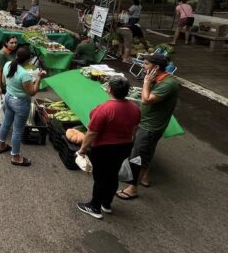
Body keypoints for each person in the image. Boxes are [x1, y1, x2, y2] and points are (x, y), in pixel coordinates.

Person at [75, 76, 141, 219]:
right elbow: (135, 129)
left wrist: (82, 149)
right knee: (113, 175)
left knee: (100, 178)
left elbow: (92, 132)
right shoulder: (135, 109)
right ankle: (106, 203)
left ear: (109, 89)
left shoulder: (104, 108)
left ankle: (94, 206)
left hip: (104, 149)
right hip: (124, 146)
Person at [117, 54, 180, 200]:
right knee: (146, 152)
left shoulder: (168, 84)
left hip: (150, 126)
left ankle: (132, 189)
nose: (143, 66)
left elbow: (146, 99)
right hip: (147, 122)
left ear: (156, 67)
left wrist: (146, 82)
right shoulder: (158, 78)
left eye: (146, 64)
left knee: (138, 156)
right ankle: (144, 177)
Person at [0, 46, 46, 166]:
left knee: (6, 123)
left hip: (8, 97)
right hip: (20, 103)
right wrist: (39, 78)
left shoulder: (8, 64)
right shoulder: (24, 74)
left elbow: (4, 81)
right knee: (17, 130)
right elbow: (32, 92)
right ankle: (15, 157)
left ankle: (1, 146)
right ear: (28, 60)